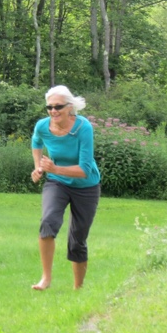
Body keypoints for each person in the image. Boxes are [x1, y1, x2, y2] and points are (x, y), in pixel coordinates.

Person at [30, 85, 101, 291]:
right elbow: (36, 143)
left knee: (78, 238)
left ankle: (78, 288)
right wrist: (38, 167)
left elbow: (85, 169)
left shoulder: (83, 127)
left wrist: (55, 168)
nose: (53, 111)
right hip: (57, 183)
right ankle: (46, 279)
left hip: (86, 186)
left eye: (58, 106)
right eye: (49, 107)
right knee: (48, 223)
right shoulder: (43, 126)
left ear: (70, 107)